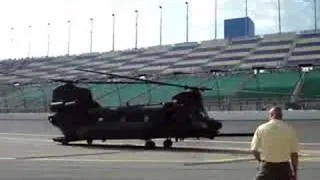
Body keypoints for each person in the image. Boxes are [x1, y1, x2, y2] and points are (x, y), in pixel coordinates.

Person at [251, 106, 299, 180]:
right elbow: (294, 154)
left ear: (271, 115)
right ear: (281, 116)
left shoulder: (261, 128)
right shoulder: (290, 130)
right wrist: (294, 172)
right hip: (284, 167)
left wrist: (261, 161)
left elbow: (254, 150)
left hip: (267, 166)